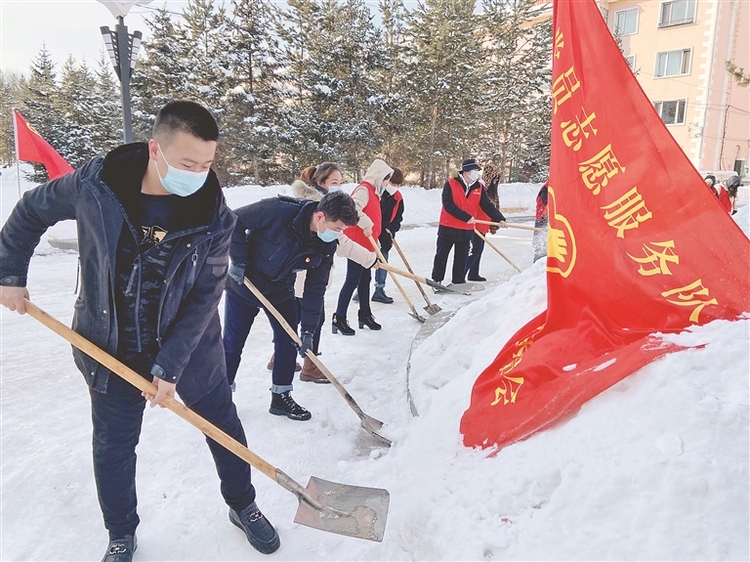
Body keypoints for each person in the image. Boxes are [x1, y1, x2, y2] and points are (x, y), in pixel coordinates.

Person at [0, 101, 280, 560]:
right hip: (109, 343)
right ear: (156, 148)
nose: (198, 174)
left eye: (207, 164)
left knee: (221, 425)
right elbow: (32, 210)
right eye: (188, 163)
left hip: (190, 350)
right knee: (113, 443)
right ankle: (121, 531)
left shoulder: (214, 215)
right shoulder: (97, 185)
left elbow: (205, 296)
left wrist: (170, 365)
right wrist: (10, 273)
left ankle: (243, 503)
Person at [223, 190, 359, 417]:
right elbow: (233, 220)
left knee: (288, 342)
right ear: (319, 216)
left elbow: (315, 290)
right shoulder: (279, 210)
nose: (338, 235)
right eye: (337, 228)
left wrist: (308, 329)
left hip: (280, 290)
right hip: (244, 284)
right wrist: (238, 260)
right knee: (232, 344)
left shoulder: (325, 245)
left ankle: (281, 397)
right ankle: (222, 398)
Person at [290, 163, 376, 382]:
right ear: (320, 183)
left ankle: (282, 356)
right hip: (305, 275)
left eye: (341, 182)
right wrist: (369, 259)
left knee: (294, 316)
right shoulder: (318, 209)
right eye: (334, 183)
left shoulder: (328, 206)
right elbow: (342, 243)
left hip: (300, 275)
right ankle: (310, 367)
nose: (339, 187)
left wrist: (369, 256)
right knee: (314, 318)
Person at [332, 159, 393, 335]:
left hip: (367, 245)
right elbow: (352, 207)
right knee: (352, 280)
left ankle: (364, 314)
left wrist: (376, 239)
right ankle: (339, 318)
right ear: (378, 177)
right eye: (385, 179)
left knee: (365, 279)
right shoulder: (364, 189)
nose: (386, 184)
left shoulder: (374, 193)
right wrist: (366, 224)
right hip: (356, 245)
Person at [431, 158, 506, 286]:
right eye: (474, 171)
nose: (476, 173)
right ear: (466, 172)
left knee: (462, 257)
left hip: (466, 230)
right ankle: (437, 280)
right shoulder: (450, 184)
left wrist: (499, 218)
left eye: (477, 171)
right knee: (441, 255)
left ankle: (458, 282)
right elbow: (448, 205)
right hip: (448, 227)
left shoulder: (479, 188)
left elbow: (487, 205)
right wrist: (465, 217)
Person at [372, 167, 405, 303]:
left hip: (385, 236)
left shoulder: (398, 198)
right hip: (371, 232)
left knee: (383, 262)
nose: (394, 187)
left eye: (397, 185)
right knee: (365, 261)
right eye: (392, 183)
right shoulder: (376, 193)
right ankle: (359, 288)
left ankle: (379, 290)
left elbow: (398, 218)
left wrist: (391, 228)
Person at [465, 174, 500, 282]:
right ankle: (461, 274)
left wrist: (494, 222)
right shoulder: (477, 189)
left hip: (483, 224)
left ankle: (473, 273)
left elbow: (491, 207)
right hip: (476, 224)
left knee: (479, 250)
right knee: (475, 250)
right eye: (494, 179)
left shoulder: (488, 191)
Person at [533, 181, 549, 263]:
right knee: (540, 248)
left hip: (546, 221)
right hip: (542, 221)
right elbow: (547, 205)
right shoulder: (546, 189)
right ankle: (537, 267)